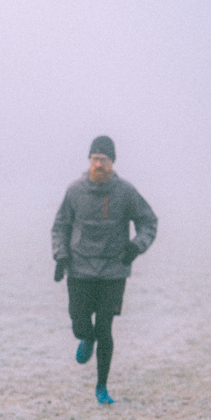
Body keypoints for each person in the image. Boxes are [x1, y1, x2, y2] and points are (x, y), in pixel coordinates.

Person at [51, 135, 158, 404]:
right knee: (79, 322)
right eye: (95, 159)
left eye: (104, 160)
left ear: (113, 162)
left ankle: (102, 387)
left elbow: (149, 222)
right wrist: (60, 257)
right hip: (80, 269)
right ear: (89, 160)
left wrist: (136, 246)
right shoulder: (75, 191)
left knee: (105, 329)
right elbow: (61, 226)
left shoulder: (126, 192)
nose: (99, 164)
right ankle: (85, 337)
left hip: (113, 270)